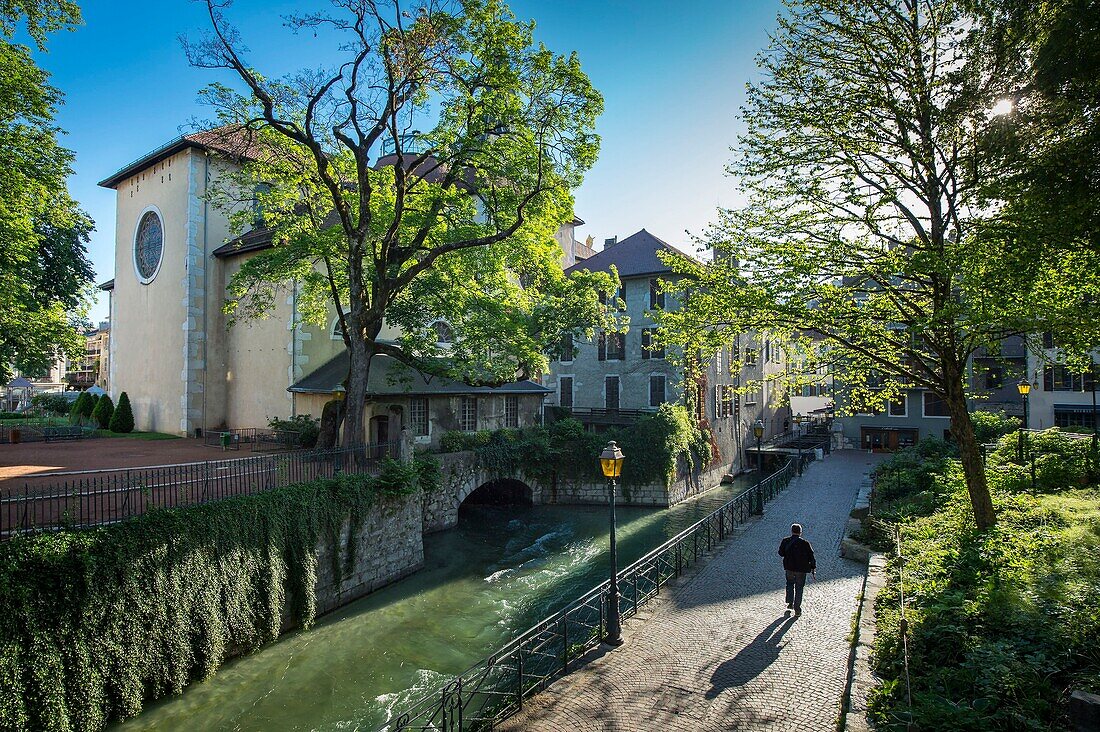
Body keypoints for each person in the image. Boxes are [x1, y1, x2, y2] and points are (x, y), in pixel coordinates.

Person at [778, 523, 816, 616]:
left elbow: (781, 553)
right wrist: (813, 567)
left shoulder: (785, 541)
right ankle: (797, 609)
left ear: (791, 531)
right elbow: (811, 556)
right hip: (801, 570)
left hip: (789, 568)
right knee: (799, 588)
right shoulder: (805, 543)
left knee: (789, 584)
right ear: (800, 532)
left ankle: (790, 603)